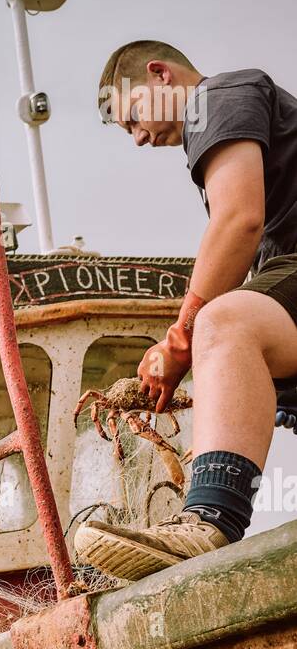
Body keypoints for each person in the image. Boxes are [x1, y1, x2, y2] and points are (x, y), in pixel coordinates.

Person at [75, 41, 297, 581]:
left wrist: (179, 342)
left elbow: (238, 220)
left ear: (159, 75)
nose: (140, 139)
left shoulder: (216, 96)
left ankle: (209, 521)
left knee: (224, 321)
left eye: (133, 119)